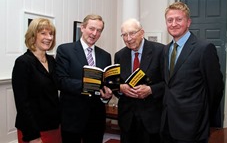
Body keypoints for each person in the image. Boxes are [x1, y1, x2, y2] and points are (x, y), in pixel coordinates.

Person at [161, 1, 224, 143]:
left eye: (179, 19)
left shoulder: (204, 48)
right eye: (169, 20)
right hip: (167, 124)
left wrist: (204, 117)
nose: (173, 24)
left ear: (188, 22)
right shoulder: (166, 50)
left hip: (192, 126)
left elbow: (215, 89)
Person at [55, 14, 113, 143]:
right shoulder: (65, 50)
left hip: (96, 119)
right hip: (72, 117)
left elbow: (106, 85)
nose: (94, 33)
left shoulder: (105, 56)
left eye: (99, 30)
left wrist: (106, 95)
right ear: (82, 28)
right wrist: (89, 85)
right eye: (91, 29)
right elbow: (61, 81)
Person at [114, 18, 165, 143]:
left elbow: (169, 82)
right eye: (124, 35)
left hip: (152, 120)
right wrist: (120, 88)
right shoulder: (119, 55)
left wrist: (151, 90)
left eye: (132, 33)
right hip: (127, 120)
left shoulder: (161, 51)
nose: (128, 38)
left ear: (142, 33)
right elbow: (115, 84)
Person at [12, 18, 61, 143]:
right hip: (33, 130)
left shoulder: (52, 61)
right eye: (43, 33)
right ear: (33, 36)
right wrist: (33, 136)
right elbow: (22, 103)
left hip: (54, 127)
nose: (49, 37)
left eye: (51, 34)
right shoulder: (23, 62)